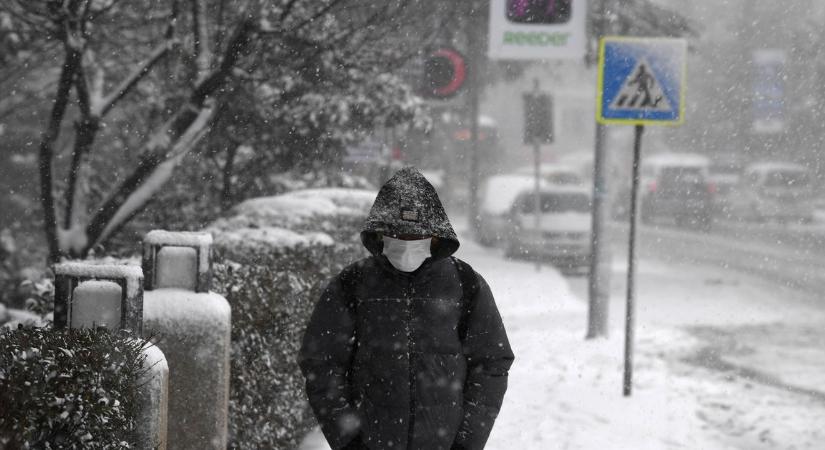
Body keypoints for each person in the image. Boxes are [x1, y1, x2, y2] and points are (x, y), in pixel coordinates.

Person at [299, 167, 514, 450]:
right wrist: (349, 440)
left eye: (417, 241)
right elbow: (322, 363)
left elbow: (491, 363)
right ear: (380, 239)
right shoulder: (351, 285)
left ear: (435, 239)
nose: (406, 250)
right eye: (397, 240)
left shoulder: (466, 284)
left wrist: (466, 442)